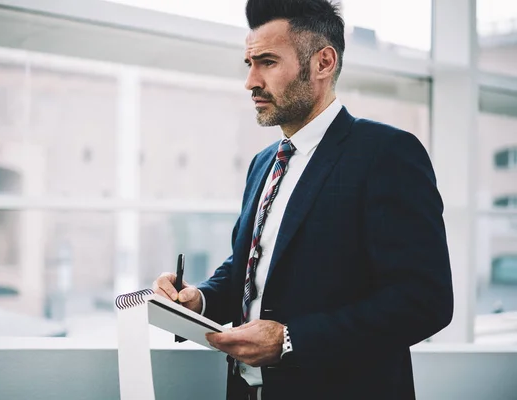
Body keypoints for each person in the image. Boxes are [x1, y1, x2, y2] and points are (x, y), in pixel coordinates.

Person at [153, 0, 453, 398]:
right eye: (249, 64)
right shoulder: (263, 163)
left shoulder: (388, 154)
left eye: (268, 62)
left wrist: (291, 340)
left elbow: (424, 302)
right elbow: (251, 270)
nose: (251, 82)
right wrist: (201, 299)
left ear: (323, 63)